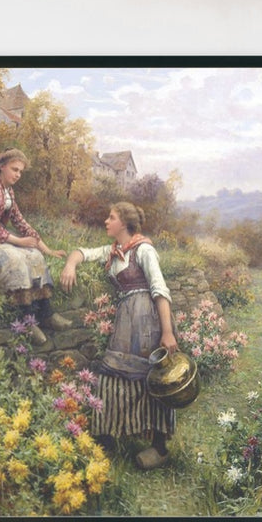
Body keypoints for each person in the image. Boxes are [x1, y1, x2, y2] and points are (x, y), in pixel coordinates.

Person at [59, 201, 178, 470]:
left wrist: (167, 332)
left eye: (110, 217)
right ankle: (109, 437)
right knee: (112, 374)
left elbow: (160, 288)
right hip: (126, 321)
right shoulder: (113, 251)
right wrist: (70, 265)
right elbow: (81, 252)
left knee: (153, 377)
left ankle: (159, 447)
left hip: (148, 321)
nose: (105, 221)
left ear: (123, 223)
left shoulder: (144, 250)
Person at [0, 149, 67, 329]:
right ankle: (27, 319)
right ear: (1, 166)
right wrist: (19, 242)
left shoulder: (9, 192)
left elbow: (20, 222)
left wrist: (46, 249)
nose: (18, 174)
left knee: (34, 256)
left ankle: (46, 312)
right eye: (14, 169)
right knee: (15, 258)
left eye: (20, 171)